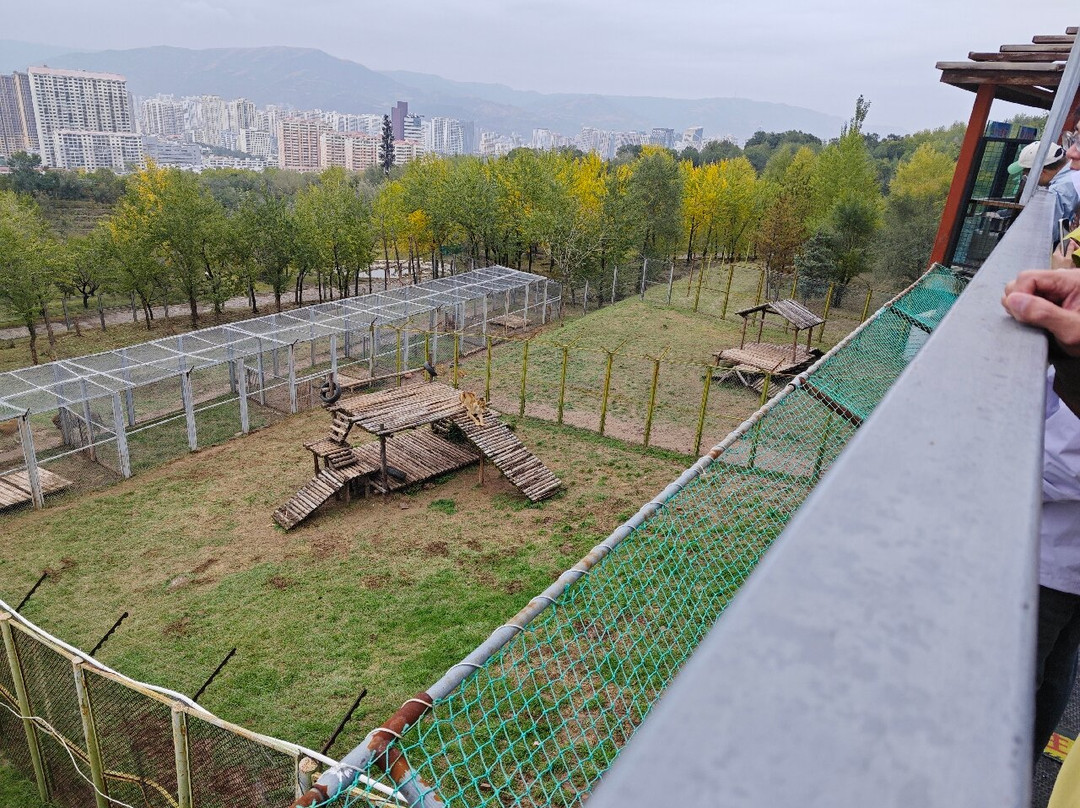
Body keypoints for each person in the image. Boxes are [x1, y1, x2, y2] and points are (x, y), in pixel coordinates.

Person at [1008, 141, 1079, 249]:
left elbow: (1049, 233)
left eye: (1027, 176)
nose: (1027, 180)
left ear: (1041, 172)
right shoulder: (1073, 173)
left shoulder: (1059, 191)